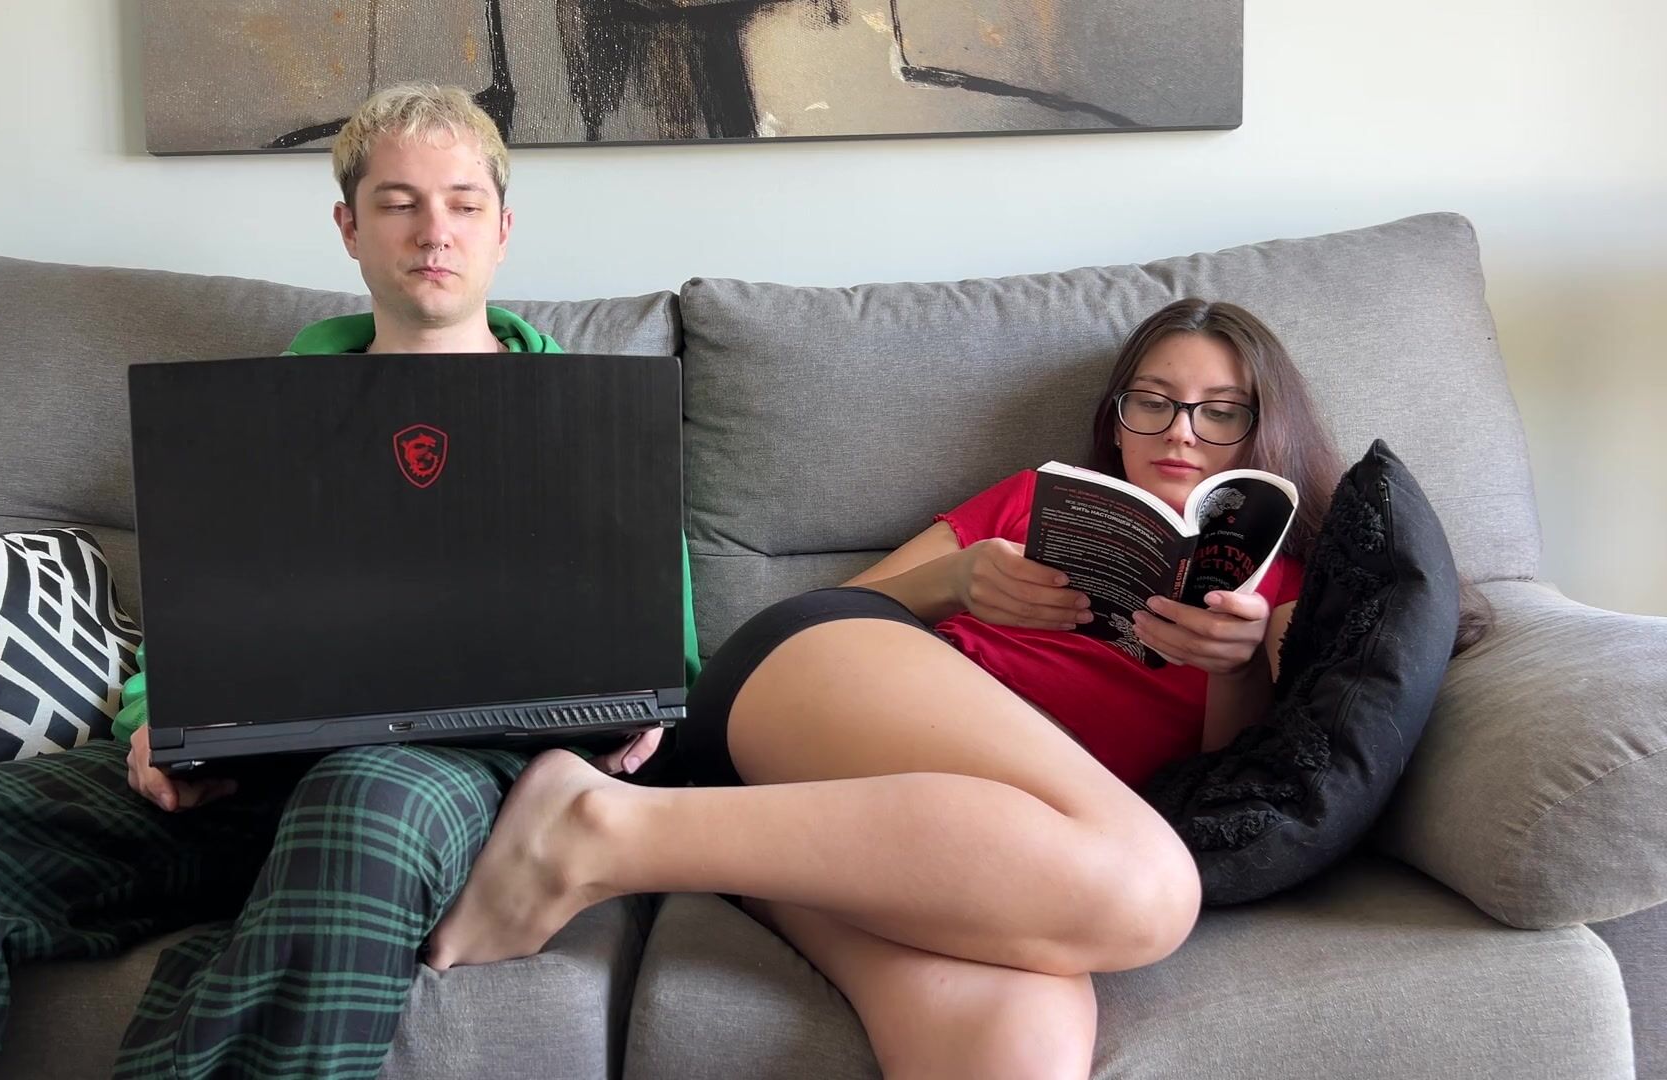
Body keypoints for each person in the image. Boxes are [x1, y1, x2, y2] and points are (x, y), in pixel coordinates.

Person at [0, 84, 697, 1080]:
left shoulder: (593, 419)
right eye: (399, 203)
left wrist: (638, 712)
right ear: (349, 227)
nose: (434, 231)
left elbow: (663, 655)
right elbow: (198, 626)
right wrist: (158, 723)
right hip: (248, 775)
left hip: (441, 782)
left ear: (502, 229)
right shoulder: (254, 417)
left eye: (463, 204)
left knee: (362, 805)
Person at [423, 298, 1343, 1079]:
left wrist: (1233, 666)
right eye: (1154, 402)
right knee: (1150, 893)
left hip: (887, 836)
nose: (1181, 431)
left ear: (1267, 427)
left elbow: (1230, 789)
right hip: (812, 687)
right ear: (1116, 416)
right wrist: (959, 580)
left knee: (1017, 1050)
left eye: (1220, 412)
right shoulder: (1039, 497)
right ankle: (594, 829)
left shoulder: (1292, 592)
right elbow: (838, 612)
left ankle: (650, 831)